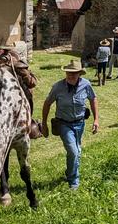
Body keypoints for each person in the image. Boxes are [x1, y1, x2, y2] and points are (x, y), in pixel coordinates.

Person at [42, 59, 99, 191]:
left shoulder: (86, 85)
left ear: (80, 74)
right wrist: (44, 124)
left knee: (77, 151)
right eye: (68, 73)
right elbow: (47, 103)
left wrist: (96, 119)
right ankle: (74, 181)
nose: (70, 75)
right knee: (73, 151)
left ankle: (69, 172)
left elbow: (93, 99)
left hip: (80, 123)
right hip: (63, 124)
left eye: (74, 73)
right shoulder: (58, 87)